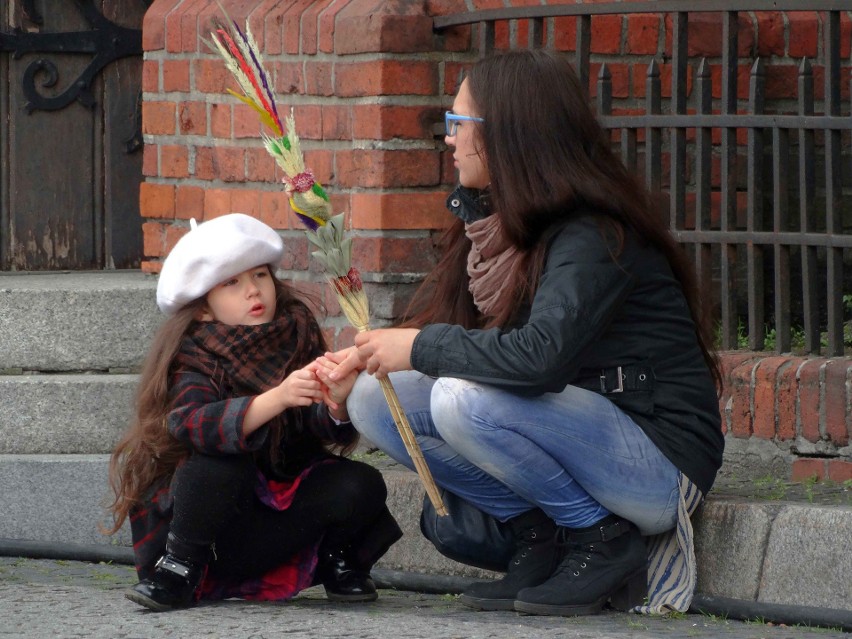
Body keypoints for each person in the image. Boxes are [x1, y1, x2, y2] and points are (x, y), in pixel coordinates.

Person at [325, 50, 723, 617]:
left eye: (458, 124)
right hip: (581, 434)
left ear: (507, 134)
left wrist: (415, 346)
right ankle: (536, 536)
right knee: (372, 398)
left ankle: (600, 540)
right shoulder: (493, 227)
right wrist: (362, 370)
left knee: (462, 398)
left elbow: (540, 360)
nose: (449, 140)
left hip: (657, 462)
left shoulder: (594, 235)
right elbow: (469, 344)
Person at [106, 213, 401, 612]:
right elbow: (191, 423)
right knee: (220, 464)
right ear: (204, 310)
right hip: (212, 525)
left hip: (279, 515)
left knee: (360, 482)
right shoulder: (193, 354)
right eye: (232, 283)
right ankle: (177, 570)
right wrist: (276, 398)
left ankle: (337, 560)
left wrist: (335, 405)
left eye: (260, 275)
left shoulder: (296, 332)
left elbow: (311, 432)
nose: (252, 291)